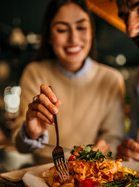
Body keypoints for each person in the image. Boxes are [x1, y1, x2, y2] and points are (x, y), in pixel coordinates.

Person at [12, 0, 125, 163]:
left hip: (90, 173)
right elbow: (21, 147)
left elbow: (114, 138)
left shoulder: (111, 79)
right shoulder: (35, 72)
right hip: (39, 174)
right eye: (62, 29)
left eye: (81, 27)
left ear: (92, 32)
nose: (73, 38)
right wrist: (31, 134)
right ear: (49, 36)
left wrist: (100, 151)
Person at [116, 0, 139, 161]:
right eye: (124, 17)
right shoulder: (137, 79)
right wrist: (128, 150)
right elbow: (133, 135)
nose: (130, 30)